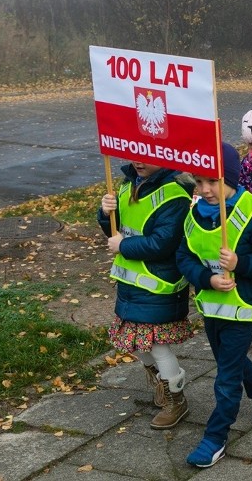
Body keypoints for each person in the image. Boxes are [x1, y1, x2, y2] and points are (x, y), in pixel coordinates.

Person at [178, 143, 252, 468]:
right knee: (232, 362)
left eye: (213, 181)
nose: (205, 189)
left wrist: (240, 262)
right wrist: (206, 278)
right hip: (211, 306)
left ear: (232, 178)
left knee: (225, 375)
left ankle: (215, 437)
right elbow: (184, 256)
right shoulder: (196, 213)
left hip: (243, 307)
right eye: (199, 182)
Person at [98, 160, 194, 431]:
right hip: (132, 283)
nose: (138, 161)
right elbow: (116, 229)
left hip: (158, 283)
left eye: (147, 157)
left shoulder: (174, 193)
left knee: (157, 345)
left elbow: (164, 243)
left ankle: (176, 400)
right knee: (134, 342)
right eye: (134, 155)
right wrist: (106, 214)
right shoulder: (129, 183)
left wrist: (124, 245)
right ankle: (162, 383)